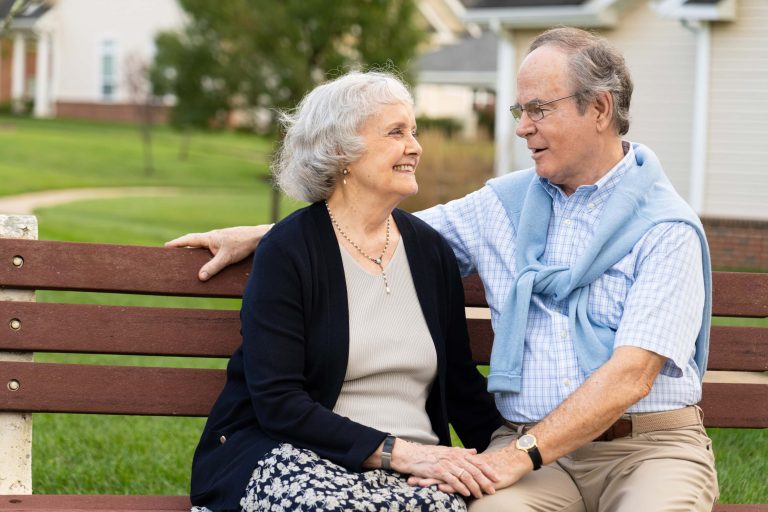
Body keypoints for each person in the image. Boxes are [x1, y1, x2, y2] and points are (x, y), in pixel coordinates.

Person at [169, 28, 719, 511]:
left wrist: (511, 457)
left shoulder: (665, 227)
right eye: (519, 111)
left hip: (645, 448)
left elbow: (631, 375)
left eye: (539, 110)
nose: (524, 128)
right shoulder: (500, 207)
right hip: (521, 457)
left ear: (599, 109)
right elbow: (356, 225)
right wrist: (263, 236)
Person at [181, 70, 505, 512]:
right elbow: (279, 403)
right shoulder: (290, 250)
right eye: (396, 132)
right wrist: (401, 451)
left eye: (414, 131)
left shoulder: (429, 252)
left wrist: (516, 462)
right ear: (340, 151)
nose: (415, 146)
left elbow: (462, 387)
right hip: (298, 460)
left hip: (411, 473)